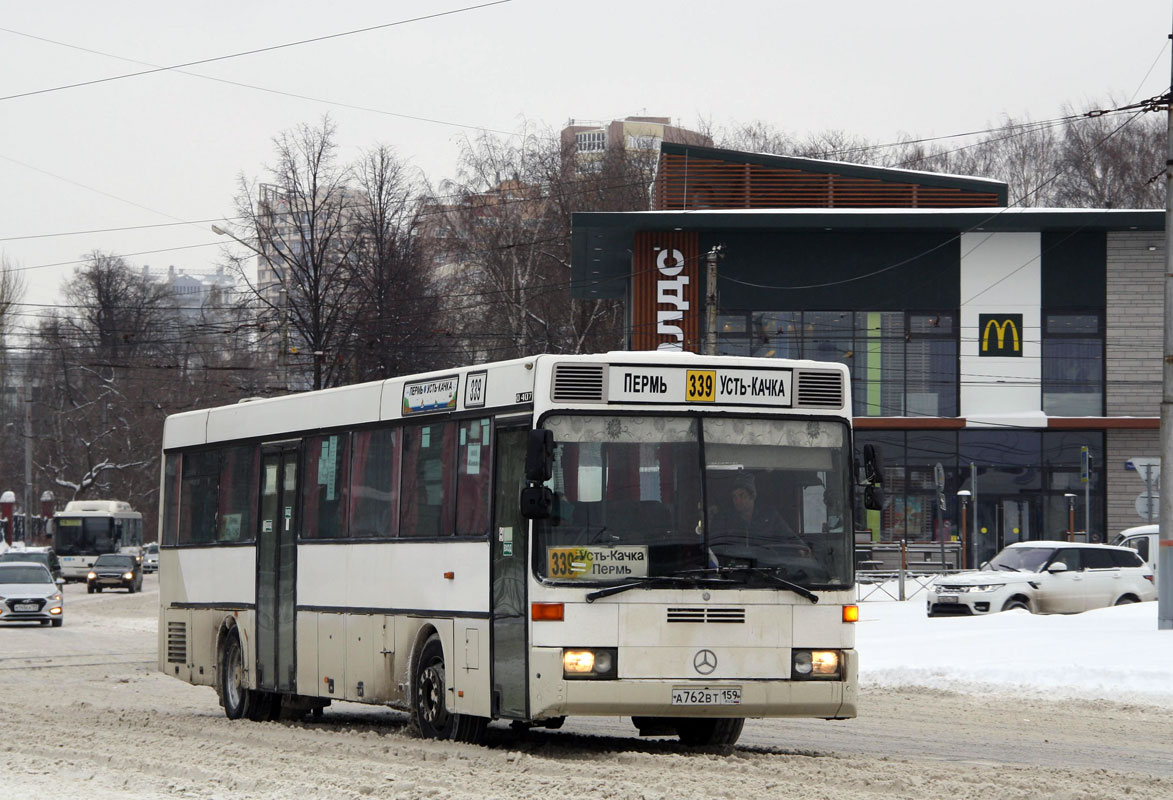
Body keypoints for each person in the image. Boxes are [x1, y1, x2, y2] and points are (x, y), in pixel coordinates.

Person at [712, 471, 805, 548]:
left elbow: (788, 535)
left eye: (742, 495)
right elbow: (715, 545)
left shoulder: (769, 516)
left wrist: (801, 546)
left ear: (752, 496)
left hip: (766, 565)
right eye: (734, 497)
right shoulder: (725, 518)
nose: (737, 500)